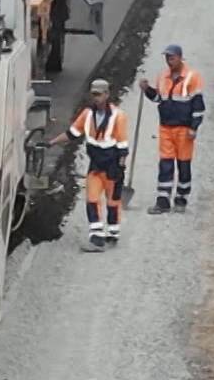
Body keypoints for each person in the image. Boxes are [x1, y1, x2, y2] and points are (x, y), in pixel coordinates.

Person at [48, 79, 130, 250]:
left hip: (112, 166)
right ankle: (97, 237)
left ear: (107, 95)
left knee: (112, 202)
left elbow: (123, 146)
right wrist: (51, 142)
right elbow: (72, 134)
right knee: (92, 200)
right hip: (96, 166)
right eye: (94, 95)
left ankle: (113, 233)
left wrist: (120, 168)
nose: (96, 98)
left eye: (99, 95)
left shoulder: (118, 117)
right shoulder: (87, 115)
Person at [139, 44, 205, 214]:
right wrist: (147, 90)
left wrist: (194, 127)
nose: (169, 61)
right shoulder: (163, 76)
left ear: (180, 57)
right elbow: (158, 99)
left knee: (184, 164)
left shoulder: (192, 77)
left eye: (172, 57)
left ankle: (181, 198)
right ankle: (163, 201)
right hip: (166, 127)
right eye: (167, 58)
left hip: (184, 129)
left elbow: (198, 105)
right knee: (166, 164)